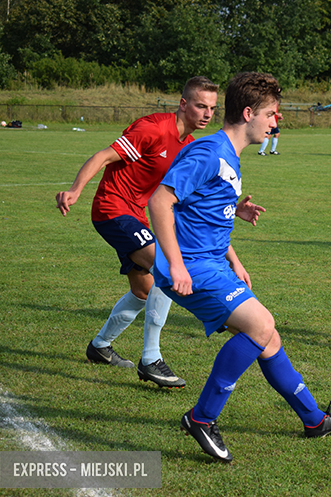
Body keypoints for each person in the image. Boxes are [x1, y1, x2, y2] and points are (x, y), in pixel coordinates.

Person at [148, 71, 331, 462]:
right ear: (248, 113)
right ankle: (202, 417)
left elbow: (202, 213)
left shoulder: (228, 156)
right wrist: (177, 266)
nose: (275, 122)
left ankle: (313, 418)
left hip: (213, 263)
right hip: (193, 268)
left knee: (269, 339)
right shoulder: (209, 152)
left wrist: (235, 241)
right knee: (260, 325)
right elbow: (160, 202)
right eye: (271, 114)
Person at [55, 76, 234, 389]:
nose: (207, 113)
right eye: (200, 105)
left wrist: (232, 240)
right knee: (165, 267)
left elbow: (193, 204)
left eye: (212, 108)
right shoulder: (152, 129)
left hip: (139, 217)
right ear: (183, 104)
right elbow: (103, 156)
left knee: (142, 291)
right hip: (113, 209)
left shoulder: (190, 147)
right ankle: (151, 359)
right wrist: (74, 190)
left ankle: (99, 347)